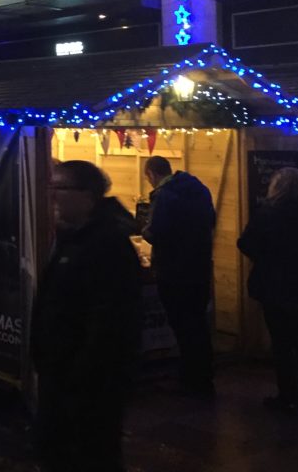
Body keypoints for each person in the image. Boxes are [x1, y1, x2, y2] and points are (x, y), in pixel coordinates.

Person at [31, 161, 141, 472]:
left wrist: (80, 373)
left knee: (88, 454)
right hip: (62, 374)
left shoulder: (106, 244)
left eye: (60, 187)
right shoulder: (72, 237)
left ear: (87, 195)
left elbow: (110, 320)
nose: (52, 195)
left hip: (86, 384)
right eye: (51, 186)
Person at [238, 167, 298, 413]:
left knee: (281, 344)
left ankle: (286, 394)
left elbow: (245, 243)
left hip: (274, 287)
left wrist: (266, 258)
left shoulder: (267, 213)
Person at [142, 155, 217, 397]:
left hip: (173, 270)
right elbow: (212, 221)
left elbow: (156, 232)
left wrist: (143, 230)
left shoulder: (164, 196)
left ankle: (191, 379)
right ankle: (203, 376)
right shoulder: (199, 189)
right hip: (199, 267)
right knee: (197, 324)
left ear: (151, 175)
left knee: (183, 326)